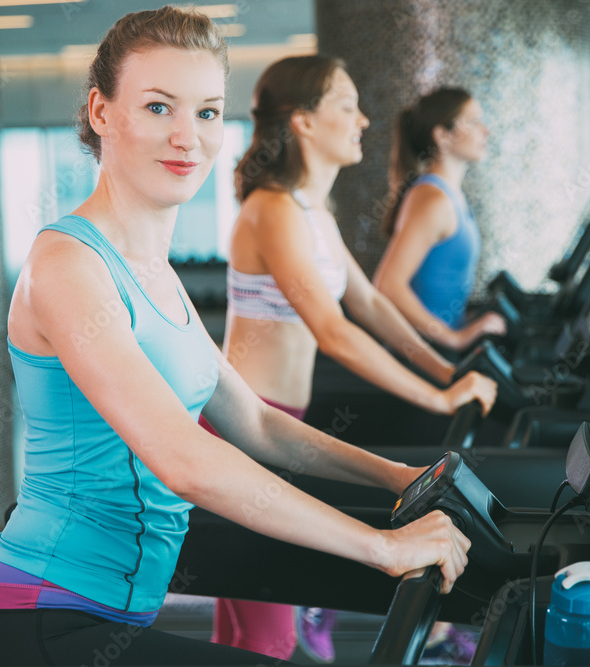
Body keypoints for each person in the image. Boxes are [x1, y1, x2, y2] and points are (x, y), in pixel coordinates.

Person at [0, 8, 481, 666]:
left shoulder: (159, 275)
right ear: (100, 111)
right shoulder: (66, 265)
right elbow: (183, 457)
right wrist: (381, 544)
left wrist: (397, 475)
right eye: (157, 107)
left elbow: (257, 422)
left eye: (206, 112)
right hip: (41, 621)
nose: (187, 137)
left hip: (121, 611)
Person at [212, 56, 498, 663]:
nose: (364, 119)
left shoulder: (313, 211)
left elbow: (369, 302)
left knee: (250, 632)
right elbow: (334, 330)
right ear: (305, 121)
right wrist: (438, 398)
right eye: (346, 104)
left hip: (278, 419)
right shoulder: (272, 209)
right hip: (243, 424)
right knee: (263, 635)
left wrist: (449, 373)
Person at [373, 87, 506, 353]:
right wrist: (453, 337)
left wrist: (467, 323)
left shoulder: (451, 195)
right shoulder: (433, 200)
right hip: (422, 352)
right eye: (473, 122)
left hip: (439, 346)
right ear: (443, 135)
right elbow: (387, 284)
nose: (485, 131)